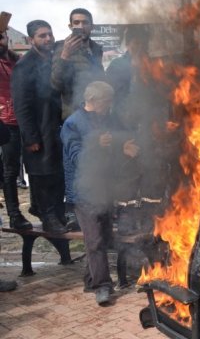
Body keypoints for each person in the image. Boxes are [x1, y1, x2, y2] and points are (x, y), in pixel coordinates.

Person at [61, 81, 139, 306]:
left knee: (102, 237)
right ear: (93, 101)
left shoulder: (108, 119)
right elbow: (77, 157)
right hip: (84, 191)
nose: (110, 105)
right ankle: (102, 286)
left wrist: (122, 149)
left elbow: (113, 146)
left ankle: (89, 278)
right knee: (94, 239)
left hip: (105, 188)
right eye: (106, 102)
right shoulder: (72, 124)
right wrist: (96, 143)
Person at [11, 20, 68, 234]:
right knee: (41, 174)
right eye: (42, 36)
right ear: (31, 39)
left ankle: (57, 213)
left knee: (57, 174)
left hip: (56, 128)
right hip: (38, 130)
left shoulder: (55, 61)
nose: (47, 39)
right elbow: (21, 105)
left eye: (49, 34)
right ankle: (47, 215)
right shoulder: (24, 66)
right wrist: (31, 137)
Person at [0, 28, 32, 229]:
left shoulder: (18, 61)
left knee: (32, 167)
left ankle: (38, 206)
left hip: (26, 120)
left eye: (0, 38)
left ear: (7, 38)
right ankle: (13, 214)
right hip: (5, 123)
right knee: (10, 171)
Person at [51, 8, 105, 120]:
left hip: (97, 112)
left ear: (92, 26)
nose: (81, 26)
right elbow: (56, 85)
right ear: (70, 27)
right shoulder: (61, 47)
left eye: (85, 22)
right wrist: (65, 55)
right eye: (76, 23)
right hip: (75, 114)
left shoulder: (96, 48)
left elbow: (100, 76)